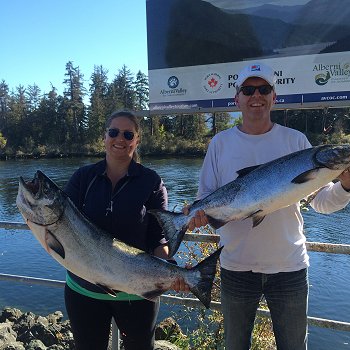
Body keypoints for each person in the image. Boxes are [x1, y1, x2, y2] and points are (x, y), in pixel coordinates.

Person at [186, 62, 350, 350]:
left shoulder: (296, 141)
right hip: (236, 267)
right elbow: (205, 197)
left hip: (289, 267)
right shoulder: (220, 144)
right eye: (248, 90)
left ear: (274, 96)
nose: (256, 96)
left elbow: (322, 203)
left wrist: (346, 185)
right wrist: (198, 216)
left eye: (263, 89)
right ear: (237, 98)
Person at [64, 110, 178, 350]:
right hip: (84, 292)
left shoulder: (152, 182)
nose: (120, 139)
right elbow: (64, 227)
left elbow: (159, 240)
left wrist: (171, 273)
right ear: (104, 137)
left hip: (136, 295)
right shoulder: (83, 178)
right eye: (114, 132)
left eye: (128, 134)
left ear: (137, 140)